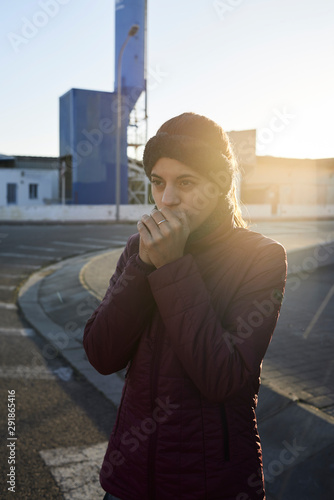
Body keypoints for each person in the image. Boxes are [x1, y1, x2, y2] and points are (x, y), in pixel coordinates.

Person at [83, 112, 287, 500]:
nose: (168, 198)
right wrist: (145, 265)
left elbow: (222, 378)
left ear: (219, 185)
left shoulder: (261, 257)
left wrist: (174, 267)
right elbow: (100, 353)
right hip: (131, 475)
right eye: (158, 182)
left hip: (212, 480)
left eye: (186, 182)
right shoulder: (139, 248)